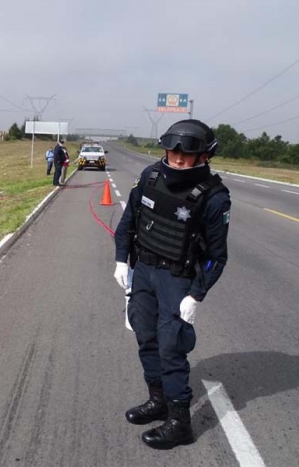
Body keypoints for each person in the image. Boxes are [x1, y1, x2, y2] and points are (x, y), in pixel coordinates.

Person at [113, 119, 231, 450]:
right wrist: (122, 259)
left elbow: (217, 257)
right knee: (145, 338)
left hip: (177, 280)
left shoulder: (214, 198)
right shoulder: (150, 177)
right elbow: (127, 225)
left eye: (187, 155)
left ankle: (180, 422)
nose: (178, 160)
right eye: (173, 151)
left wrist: (197, 293)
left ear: (204, 157)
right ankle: (159, 401)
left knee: (171, 347)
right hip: (144, 272)